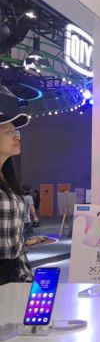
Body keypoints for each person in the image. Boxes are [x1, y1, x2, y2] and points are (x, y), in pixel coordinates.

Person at [0, 108, 32, 285]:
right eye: (9, 132)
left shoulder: (8, 179)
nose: (17, 137)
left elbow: (17, 240)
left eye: (16, 132)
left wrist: (27, 277)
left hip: (13, 273)